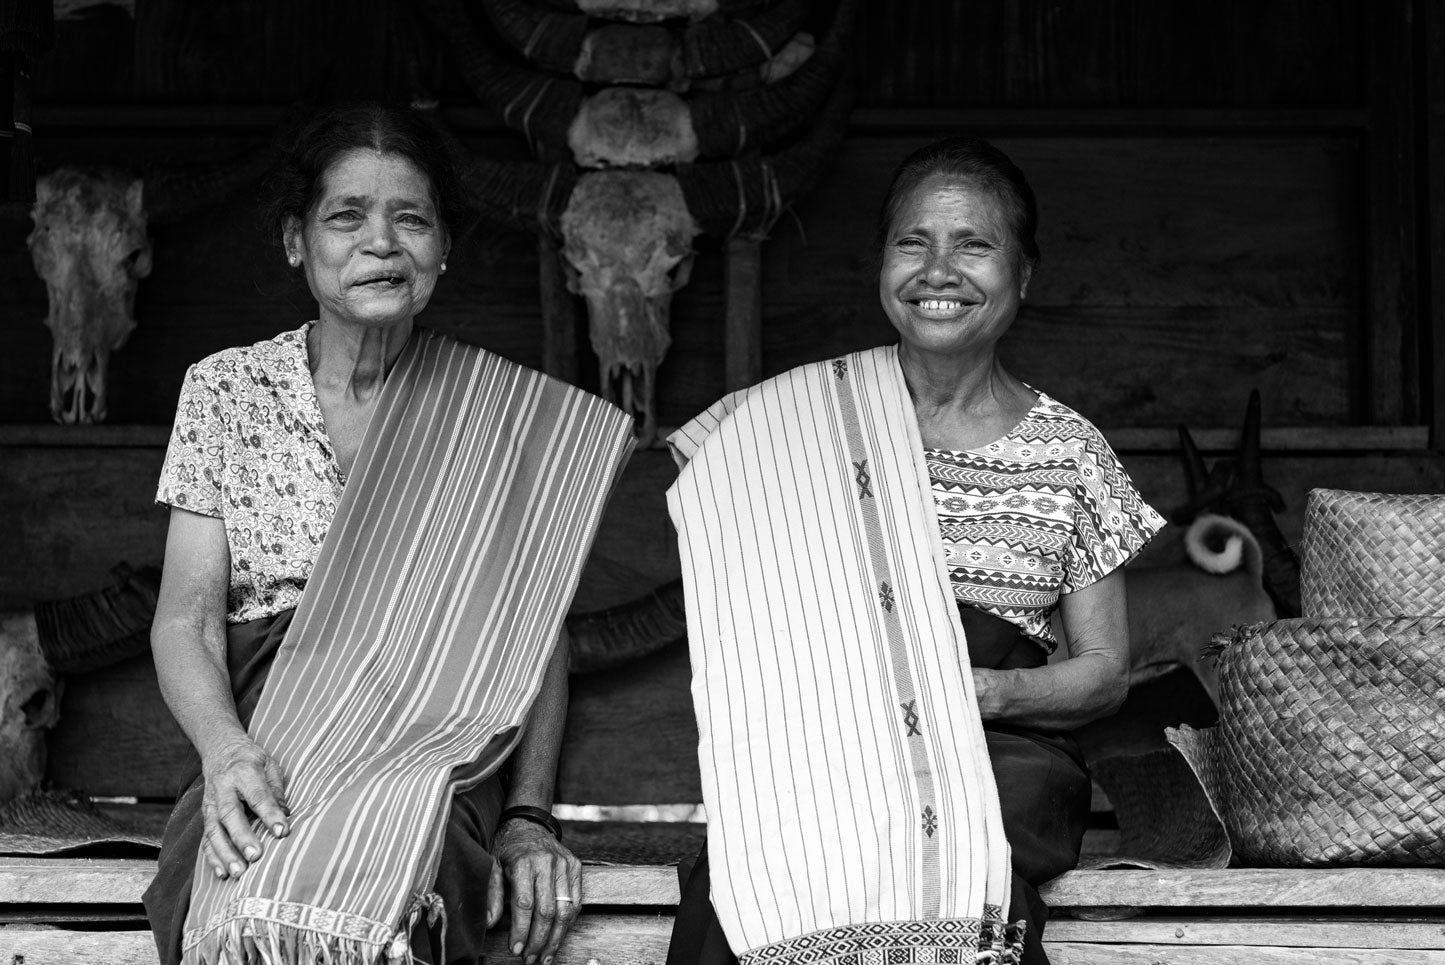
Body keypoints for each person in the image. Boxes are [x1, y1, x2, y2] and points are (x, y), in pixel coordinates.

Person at [142, 102, 633, 965]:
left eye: (411, 218)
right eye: (346, 216)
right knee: (233, 876)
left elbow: (529, 639)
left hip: (432, 739)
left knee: (412, 862)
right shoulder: (225, 391)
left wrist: (526, 817)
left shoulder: (498, 421)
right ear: (298, 241)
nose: (381, 242)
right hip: (272, 737)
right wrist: (225, 753)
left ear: (443, 247)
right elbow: (185, 618)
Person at [664, 136, 1166, 965]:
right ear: (880, 264)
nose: (939, 270)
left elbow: (1104, 671)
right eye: (912, 242)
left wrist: (979, 692)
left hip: (997, 756)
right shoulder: (788, 425)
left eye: (973, 243)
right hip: (826, 753)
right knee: (758, 867)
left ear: (1023, 273)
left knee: (943, 835)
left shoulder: (1071, 451)